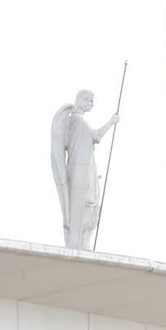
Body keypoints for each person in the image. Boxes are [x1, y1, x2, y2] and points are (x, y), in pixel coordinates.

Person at [50, 90, 119, 252]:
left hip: (85, 167)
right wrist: (112, 121)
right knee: (81, 208)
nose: (91, 104)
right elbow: (96, 136)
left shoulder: (76, 122)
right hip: (79, 171)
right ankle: (77, 245)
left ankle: (83, 245)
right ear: (80, 100)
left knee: (91, 207)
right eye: (89, 101)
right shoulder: (78, 122)